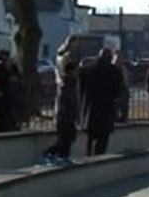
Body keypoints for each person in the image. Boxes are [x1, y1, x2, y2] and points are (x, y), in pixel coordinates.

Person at [77, 48, 125, 156]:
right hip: (106, 110)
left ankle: (88, 155)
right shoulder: (115, 71)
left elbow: (80, 90)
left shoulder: (87, 69)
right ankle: (99, 157)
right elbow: (118, 91)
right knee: (103, 139)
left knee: (90, 137)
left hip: (90, 110)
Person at [42, 35, 79, 164]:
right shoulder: (64, 56)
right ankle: (50, 153)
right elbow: (66, 99)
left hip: (67, 114)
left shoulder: (62, 54)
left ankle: (64, 157)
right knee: (65, 138)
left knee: (69, 137)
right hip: (64, 115)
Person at [0, 51, 22, 133]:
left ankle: (13, 126)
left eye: (6, 59)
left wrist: (15, 80)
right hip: (2, 95)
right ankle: (2, 129)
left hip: (12, 94)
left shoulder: (13, 67)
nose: (5, 61)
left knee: (12, 112)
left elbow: (18, 78)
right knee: (2, 113)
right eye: (3, 59)